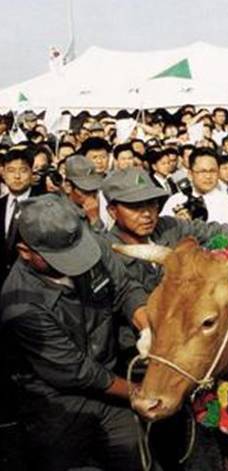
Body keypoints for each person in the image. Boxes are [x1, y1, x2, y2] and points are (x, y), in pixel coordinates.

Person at [0, 193, 150, 470]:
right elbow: (77, 371)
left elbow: (125, 289)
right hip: (57, 406)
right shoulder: (21, 304)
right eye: (63, 258)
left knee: (138, 460)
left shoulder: (89, 247)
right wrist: (138, 391)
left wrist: (147, 327)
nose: (79, 263)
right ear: (26, 252)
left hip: (110, 390)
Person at [161, 148, 228, 228]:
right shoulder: (175, 201)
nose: (208, 176)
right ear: (190, 174)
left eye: (212, 171)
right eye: (202, 171)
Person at [1, 148, 39, 287]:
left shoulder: (43, 204)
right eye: (11, 171)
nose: (17, 176)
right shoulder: (1, 204)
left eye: (23, 170)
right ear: (3, 173)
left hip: (32, 283)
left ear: (31, 173)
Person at [63, 154, 106, 229]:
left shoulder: (98, 206)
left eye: (94, 191)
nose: (91, 197)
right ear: (68, 187)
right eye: (85, 192)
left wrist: (95, 220)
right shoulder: (59, 215)